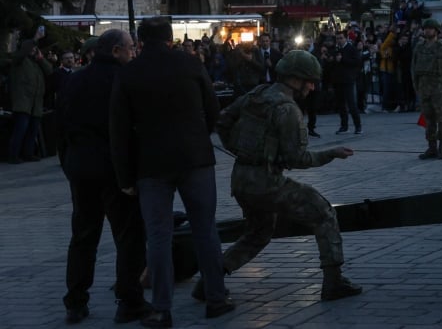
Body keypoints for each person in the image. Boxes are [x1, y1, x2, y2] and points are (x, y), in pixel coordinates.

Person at [209, 50, 361, 302]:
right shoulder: (287, 109)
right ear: (296, 79)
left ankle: (210, 281)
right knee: (324, 212)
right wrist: (331, 153)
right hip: (267, 183)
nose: (312, 87)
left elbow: (223, 120)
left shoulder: (257, 94)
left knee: (258, 233)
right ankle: (334, 282)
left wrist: (241, 150)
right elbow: (298, 159)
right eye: (309, 81)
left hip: (241, 180)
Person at [109, 17, 233, 327]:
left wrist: (125, 178)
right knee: (206, 229)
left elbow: (119, 130)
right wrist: (198, 135)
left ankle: (161, 308)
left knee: (158, 237)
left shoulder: (129, 73)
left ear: (140, 42)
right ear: (169, 39)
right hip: (195, 158)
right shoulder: (190, 64)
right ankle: (216, 298)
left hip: (151, 164)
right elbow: (214, 109)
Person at [58, 29, 150, 324]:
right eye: (130, 48)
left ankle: (75, 301)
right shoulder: (122, 81)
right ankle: (129, 300)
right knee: (128, 236)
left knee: (83, 236)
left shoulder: (74, 79)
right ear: (115, 51)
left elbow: (60, 126)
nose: (133, 53)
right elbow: (130, 130)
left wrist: (69, 163)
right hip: (114, 170)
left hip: (81, 168)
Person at [412, 18, 442, 159]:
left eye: (430, 28)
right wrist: (417, 87)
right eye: (426, 28)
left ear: (436, 31)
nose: (427, 30)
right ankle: (431, 147)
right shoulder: (419, 47)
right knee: (428, 120)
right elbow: (414, 68)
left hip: (439, 88)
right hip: (424, 88)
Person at [8, 38, 52, 163]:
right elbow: (19, 56)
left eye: (35, 48)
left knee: (32, 131)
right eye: (32, 48)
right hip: (23, 102)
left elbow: (49, 71)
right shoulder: (20, 61)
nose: (34, 50)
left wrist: (41, 58)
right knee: (20, 130)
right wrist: (32, 42)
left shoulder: (37, 63)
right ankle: (14, 155)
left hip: (36, 103)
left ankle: (28, 153)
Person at [333, 32, 362, 135]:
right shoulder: (336, 49)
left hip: (349, 80)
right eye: (337, 38)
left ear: (346, 38)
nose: (339, 40)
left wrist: (343, 60)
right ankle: (344, 126)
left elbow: (357, 62)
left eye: (341, 38)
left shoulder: (351, 49)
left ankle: (358, 126)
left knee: (352, 104)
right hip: (339, 80)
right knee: (341, 105)